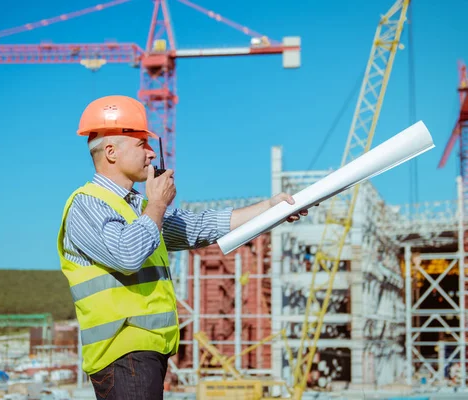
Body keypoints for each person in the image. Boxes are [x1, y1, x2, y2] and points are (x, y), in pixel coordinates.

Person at [56, 95, 311, 399]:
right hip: (122, 352)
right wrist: (159, 204)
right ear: (111, 152)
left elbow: (200, 227)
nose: (152, 154)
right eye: (142, 145)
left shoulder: (139, 206)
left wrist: (270, 209)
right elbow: (127, 255)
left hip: (147, 352)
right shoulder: (88, 205)